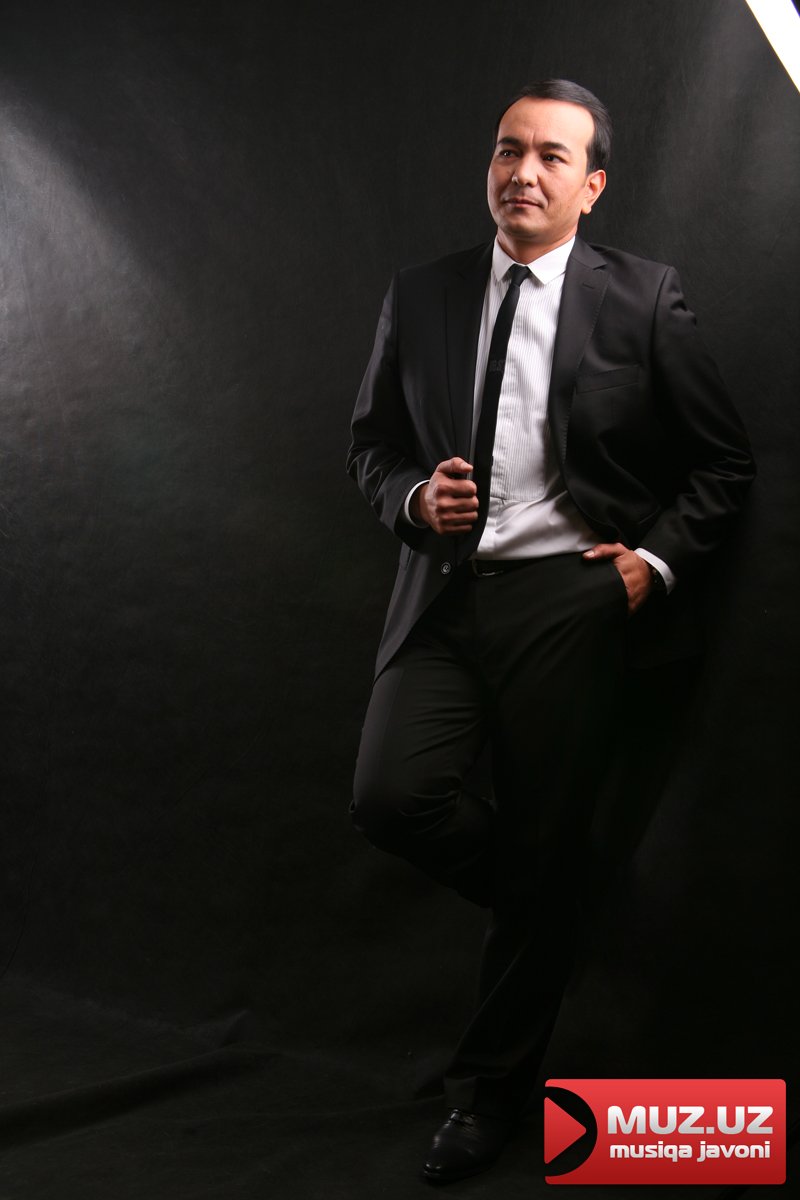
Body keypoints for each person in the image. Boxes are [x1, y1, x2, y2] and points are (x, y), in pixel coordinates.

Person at [346, 79, 755, 1184]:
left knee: (541, 837)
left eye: (550, 157)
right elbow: (370, 444)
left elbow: (723, 461)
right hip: (443, 596)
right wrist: (409, 499)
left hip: (571, 603)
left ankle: (485, 1096)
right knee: (392, 796)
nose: (522, 173)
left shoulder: (643, 296)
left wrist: (652, 562)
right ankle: (560, 902)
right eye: (507, 150)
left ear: (592, 185)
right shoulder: (422, 292)